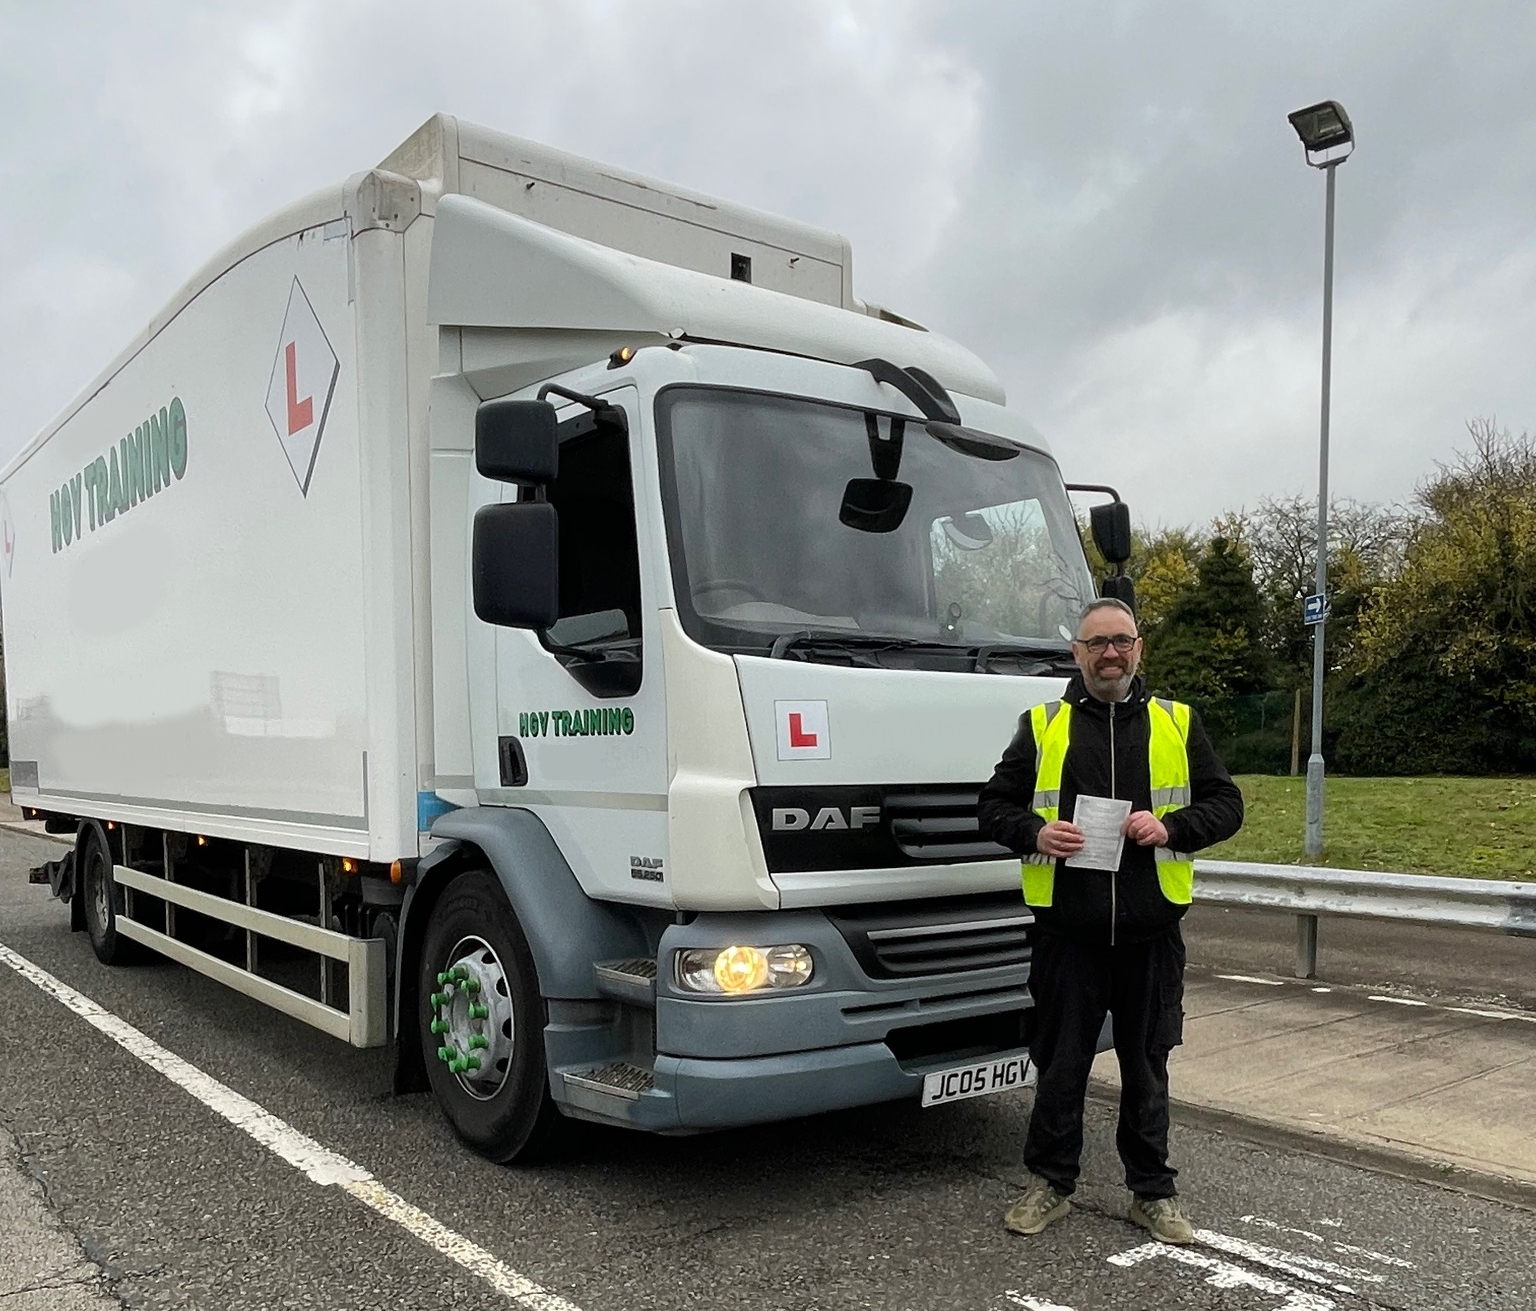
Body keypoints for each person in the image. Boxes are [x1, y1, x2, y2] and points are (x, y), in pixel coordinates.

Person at [977, 597, 1244, 1244]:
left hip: (1151, 934)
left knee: (1147, 1066)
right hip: (1068, 935)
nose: (1110, 654)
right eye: (1096, 643)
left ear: (1139, 648)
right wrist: (1037, 833)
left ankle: (1152, 1193)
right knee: (1060, 1064)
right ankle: (1050, 1184)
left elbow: (1227, 803)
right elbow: (992, 807)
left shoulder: (1178, 722)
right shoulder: (1043, 724)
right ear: (1077, 654)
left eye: (1121, 640)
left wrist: (1172, 826)